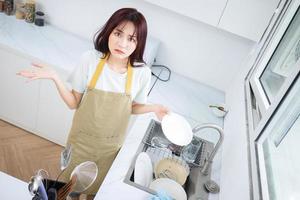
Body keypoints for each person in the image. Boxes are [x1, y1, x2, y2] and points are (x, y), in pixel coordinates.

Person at [17, 8, 169, 196]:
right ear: (109, 31)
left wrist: (154, 108)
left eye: (131, 38)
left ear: (139, 43)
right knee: (68, 188)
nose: (122, 43)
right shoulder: (90, 60)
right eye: (118, 33)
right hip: (80, 142)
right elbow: (73, 103)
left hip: (109, 149)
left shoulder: (141, 73)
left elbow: (131, 107)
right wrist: (55, 77)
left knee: (95, 192)